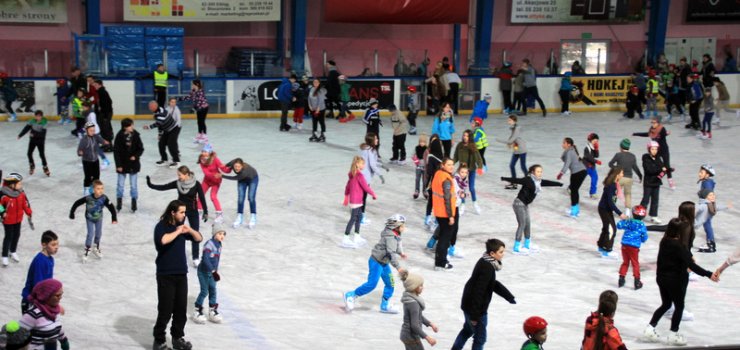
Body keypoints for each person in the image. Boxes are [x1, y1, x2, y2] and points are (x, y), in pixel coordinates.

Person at [642, 219, 718, 346]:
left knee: (666, 304)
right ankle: (673, 334)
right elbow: (691, 266)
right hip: (675, 281)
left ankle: (650, 328)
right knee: (679, 306)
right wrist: (709, 274)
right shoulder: (679, 246)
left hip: (661, 278)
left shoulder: (664, 241)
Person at [152, 200, 203, 350]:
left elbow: (199, 238)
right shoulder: (162, 226)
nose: (184, 214)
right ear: (173, 212)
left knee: (181, 310)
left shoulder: (180, 227)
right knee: (165, 309)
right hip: (165, 274)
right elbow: (162, 241)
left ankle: (177, 338)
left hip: (181, 274)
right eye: (181, 212)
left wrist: (190, 230)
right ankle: (159, 340)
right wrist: (178, 231)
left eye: (185, 212)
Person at [451, 239, 516, 350]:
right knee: (480, 338)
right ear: (492, 253)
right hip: (476, 310)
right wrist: (475, 316)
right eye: (501, 252)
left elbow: (492, 283)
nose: (503, 254)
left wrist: (508, 296)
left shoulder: (485, 261)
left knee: (468, 330)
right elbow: (478, 291)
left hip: (468, 304)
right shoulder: (487, 267)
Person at [343, 214, 408, 314]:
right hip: (376, 262)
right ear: (395, 226)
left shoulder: (395, 234)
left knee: (390, 284)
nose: (404, 228)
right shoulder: (390, 237)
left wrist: (401, 253)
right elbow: (391, 253)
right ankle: (351, 295)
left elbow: (396, 245)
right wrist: (398, 268)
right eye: (402, 226)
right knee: (372, 284)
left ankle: (384, 306)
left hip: (384, 263)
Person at [147, 167, 208, 266]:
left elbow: (202, 197)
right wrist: (151, 185)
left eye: (180, 175)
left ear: (187, 174)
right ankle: (175, 253)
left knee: (194, 233)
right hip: (180, 212)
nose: (178, 177)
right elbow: (164, 187)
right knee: (177, 232)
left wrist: (205, 211)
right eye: (178, 175)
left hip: (193, 211)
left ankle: (195, 258)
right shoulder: (178, 183)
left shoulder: (196, 184)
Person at [501, 165, 563, 253]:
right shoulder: (528, 180)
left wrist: (559, 184)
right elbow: (517, 180)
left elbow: (547, 182)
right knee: (522, 224)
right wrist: (504, 178)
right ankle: (516, 247)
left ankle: (527, 244)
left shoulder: (538, 182)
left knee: (528, 224)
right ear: (533, 172)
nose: (540, 173)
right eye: (538, 171)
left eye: (541, 171)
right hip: (519, 204)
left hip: (525, 205)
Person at [69, 180, 117, 262]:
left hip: (99, 218)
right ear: (93, 189)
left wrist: (114, 217)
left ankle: (96, 247)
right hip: (89, 218)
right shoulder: (88, 198)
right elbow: (77, 203)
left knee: (98, 233)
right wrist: (72, 212)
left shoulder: (104, 198)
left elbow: (111, 207)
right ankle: (87, 249)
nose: (100, 190)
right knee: (90, 233)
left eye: (102, 188)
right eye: (98, 188)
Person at [19, 279, 69, 350]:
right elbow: (17, 336)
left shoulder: (54, 311)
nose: (60, 297)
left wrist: (63, 340)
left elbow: (57, 327)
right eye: (58, 295)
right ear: (47, 296)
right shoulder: (32, 315)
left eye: (61, 294)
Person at [192, 223, 225, 325]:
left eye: (223, 234)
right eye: (219, 233)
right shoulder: (209, 244)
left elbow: (216, 259)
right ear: (214, 234)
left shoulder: (219, 244)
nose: (222, 236)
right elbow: (205, 259)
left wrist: (216, 270)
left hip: (212, 272)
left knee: (213, 290)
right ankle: (197, 310)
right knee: (204, 291)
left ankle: (212, 310)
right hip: (203, 272)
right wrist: (213, 271)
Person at [342, 156, 377, 248]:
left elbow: (347, 187)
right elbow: (366, 187)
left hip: (356, 200)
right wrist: (373, 194)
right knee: (353, 218)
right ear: (357, 164)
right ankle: (345, 238)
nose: (364, 165)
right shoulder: (359, 176)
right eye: (362, 163)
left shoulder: (353, 175)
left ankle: (357, 236)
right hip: (356, 200)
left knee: (359, 217)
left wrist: (346, 197)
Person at [21, 231, 58, 313]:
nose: (56, 247)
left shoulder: (50, 259)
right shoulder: (40, 261)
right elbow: (38, 285)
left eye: (57, 244)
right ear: (44, 245)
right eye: (53, 245)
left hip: (41, 300)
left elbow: (48, 282)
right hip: (31, 301)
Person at [399, 271, 438, 350]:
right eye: (420, 286)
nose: (422, 287)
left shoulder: (408, 298)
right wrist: (428, 338)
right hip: (410, 336)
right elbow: (415, 326)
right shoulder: (413, 303)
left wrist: (430, 324)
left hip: (406, 334)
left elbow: (418, 315)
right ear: (413, 287)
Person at [633, 116, 674, 189]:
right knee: (658, 166)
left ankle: (670, 180)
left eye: (654, 122)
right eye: (652, 122)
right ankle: (658, 177)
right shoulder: (651, 129)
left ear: (658, 123)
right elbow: (647, 134)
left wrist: (665, 134)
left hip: (664, 150)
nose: (652, 124)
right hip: (656, 150)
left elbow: (662, 136)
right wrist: (636, 134)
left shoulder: (662, 128)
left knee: (666, 166)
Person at [1, 173, 33, 267]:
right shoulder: (3, 194)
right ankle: (4, 255)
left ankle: (13, 250)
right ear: (12, 184)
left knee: (17, 234)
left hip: (18, 219)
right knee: (8, 236)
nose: (21, 185)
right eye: (19, 184)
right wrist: (3, 213)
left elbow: (25, 204)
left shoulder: (21, 193)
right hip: (8, 220)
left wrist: (28, 212)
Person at [113, 118, 144, 213]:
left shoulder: (136, 135)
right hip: (122, 164)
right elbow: (116, 152)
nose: (132, 127)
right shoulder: (119, 136)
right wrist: (118, 165)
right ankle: (119, 201)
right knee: (120, 185)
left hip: (133, 165)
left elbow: (141, 148)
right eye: (130, 125)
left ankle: (134, 202)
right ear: (125, 127)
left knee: (134, 186)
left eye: (132, 125)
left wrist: (135, 156)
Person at [431, 158, 457, 270]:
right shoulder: (446, 179)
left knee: (443, 237)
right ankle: (441, 263)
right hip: (445, 213)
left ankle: (440, 260)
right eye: (449, 164)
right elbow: (447, 198)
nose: (451, 167)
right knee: (444, 239)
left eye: (452, 164)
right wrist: (450, 216)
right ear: (443, 165)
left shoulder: (438, 174)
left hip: (438, 211)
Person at [598, 167, 628, 258]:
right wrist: (620, 213)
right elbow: (610, 202)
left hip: (605, 209)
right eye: (622, 173)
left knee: (607, 228)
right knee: (612, 230)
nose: (623, 175)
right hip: (605, 209)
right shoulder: (611, 186)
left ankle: (601, 246)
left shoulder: (614, 184)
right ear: (617, 174)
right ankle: (607, 250)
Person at [221, 158, 259, 229]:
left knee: (251, 198)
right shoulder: (233, 163)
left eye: (239, 167)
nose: (237, 168)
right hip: (242, 180)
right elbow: (228, 164)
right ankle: (239, 216)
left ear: (242, 166)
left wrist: (222, 176)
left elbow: (235, 178)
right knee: (240, 198)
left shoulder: (244, 172)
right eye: (235, 167)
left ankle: (253, 216)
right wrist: (224, 165)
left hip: (253, 179)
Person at [196, 144, 230, 223]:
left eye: (205, 151)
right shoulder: (201, 160)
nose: (203, 153)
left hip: (216, 181)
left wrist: (229, 169)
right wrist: (214, 175)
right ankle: (199, 212)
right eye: (203, 151)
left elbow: (223, 168)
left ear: (210, 152)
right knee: (200, 195)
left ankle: (219, 215)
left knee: (213, 197)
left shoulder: (215, 159)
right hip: (207, 180)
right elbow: (206, 172)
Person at [609, 140, 643, 216]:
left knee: (615, 193)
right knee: (627, 194)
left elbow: (610, 164)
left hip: (619, 178)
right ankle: (627, 211)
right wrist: (640, 175)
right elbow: (635, 167)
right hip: (629, 178)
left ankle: (611, 207)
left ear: (621, 147)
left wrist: (616, 169)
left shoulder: (618, 155)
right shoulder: (632, 156)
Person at [618, 205, 648, 289]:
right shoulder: (642, 225)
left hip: (624, 245)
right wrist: (642, 239)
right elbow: (644, 237)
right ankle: (637, 281)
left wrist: (624, 219)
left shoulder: (629, 221)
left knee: (625, 262)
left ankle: (621, 278)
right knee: (635, 263)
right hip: (634, 247)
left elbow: (619, 225)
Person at [143, 100, 180, 168]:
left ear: (154, 106)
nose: (149, 108)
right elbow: (161, 125)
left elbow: (159, 123)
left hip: (174, 129)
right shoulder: (156, 112)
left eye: (150, 107)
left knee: (171, 144)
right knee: (161, 144)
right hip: (166, 130)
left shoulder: (161, 112)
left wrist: (149, 127)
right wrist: (160, 134)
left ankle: (176, 161)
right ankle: (164, 159)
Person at [453, 130, 483, 214]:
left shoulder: (473, 146)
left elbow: (478, 158)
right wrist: (451, 164)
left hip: (471, 170)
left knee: (471, 188)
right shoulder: (460, 145)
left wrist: (480, 167)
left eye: (466, 136)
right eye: (464, 135)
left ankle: (475, 203)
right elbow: (455, 156)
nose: (464, 137)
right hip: (461, 171)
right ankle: (462, 204)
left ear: (470, 137)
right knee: (462, 188)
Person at [557, 137, 587, 218]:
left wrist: (561, 173)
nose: (562, 144)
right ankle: (575, 210)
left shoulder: (569, 152)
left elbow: (567, 163)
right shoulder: (571, 150)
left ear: (568, 144)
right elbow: (566, 159)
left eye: (564, 143)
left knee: (573, 191)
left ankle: (574, 211)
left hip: (577, 173)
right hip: (582, 171)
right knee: (574, 190)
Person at [359, 133, 385, 225]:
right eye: (376, 139)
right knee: (363, 198)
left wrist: (382, 165)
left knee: (362, 197)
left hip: (362, 176)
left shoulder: (367, 149)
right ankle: (361, 218)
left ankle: (360, 216)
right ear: (372, 141)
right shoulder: (369, 151)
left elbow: (373, 162)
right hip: (364, 178)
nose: (377, 140)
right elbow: (372, 165)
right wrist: (380, 175)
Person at [695, 189, 730, 253]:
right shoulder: (703, 205)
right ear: (705, 196)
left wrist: (726, 206)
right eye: (710, 195)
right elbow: (693, 210)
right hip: (691, 224)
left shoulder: (711, 205)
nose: (713, 196)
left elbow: (717, 208)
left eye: (713, 194)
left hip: (695, 225)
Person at [17, 110, 49, 176]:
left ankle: (45, 167)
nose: (38, 118)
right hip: (33, 140)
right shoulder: (32, 121)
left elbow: (42, 134)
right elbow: (26, 128)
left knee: (41, 155)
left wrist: (33, 134)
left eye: (39, 116)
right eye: (37, 116)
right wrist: (20, 135)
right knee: (29, 154)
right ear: (35, 116)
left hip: (40, 141)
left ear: (42, 116)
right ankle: (32, 166)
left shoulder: (44, 122)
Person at [640, 141, 666, 224]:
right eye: (652, 149)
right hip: (648, 182)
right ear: (649, 149)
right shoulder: (645, 157)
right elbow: (649, 170)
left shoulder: (658, 158)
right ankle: (640, 215)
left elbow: (663, 169)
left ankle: (653, 216)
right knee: (645, 200)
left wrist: (661, 173)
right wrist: (660, 170)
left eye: (656, 149)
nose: (654, 151)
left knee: (655, 200)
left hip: (656, 182)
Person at [77, 122, 106, 194]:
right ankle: (86, 189)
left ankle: (95, 188)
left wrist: (105, 142)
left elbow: (102, 141)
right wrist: (80, 152)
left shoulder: (96, 137)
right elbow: (79, 150)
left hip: (95, 160)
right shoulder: (84, 140)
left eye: (94, 130)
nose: (93, 132)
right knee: (88, 176)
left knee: (96, 176)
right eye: (91, 130)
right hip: (87, 161)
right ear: (86, 131)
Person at [179, 79, 209, 144]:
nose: (192, 85)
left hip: (204, 107)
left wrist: (194, 108)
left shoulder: (201, 91)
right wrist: (180, 99)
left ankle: (205, 137)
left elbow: (199, 101)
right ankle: (199, 136)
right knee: (199, 122)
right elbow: (188, 97)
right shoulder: (193, 91)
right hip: (198, 108)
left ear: (197, 84)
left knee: (202, 121)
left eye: (193, 84)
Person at [92, 79, 114, 151]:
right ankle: (106, 144)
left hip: (105, 114)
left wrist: (105, 116)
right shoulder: (99, 92)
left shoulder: (102, 92)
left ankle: (109, 145)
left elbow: (107, 104)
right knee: (103, 129)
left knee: (106, 130)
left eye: (95, 85)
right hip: (103, 113)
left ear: (100, 85)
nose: (94, 86)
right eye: (94, 85)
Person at [307, 78, 327, 142]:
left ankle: (322, 135)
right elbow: (309, 98)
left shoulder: (320, 90)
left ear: (319, 83)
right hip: (313, 109)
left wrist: (318, 108)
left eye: (316, 82)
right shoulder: (312, 89)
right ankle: (314, 134)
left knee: (321, 122)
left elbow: (321, 100)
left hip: (320, 109)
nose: (315, 83)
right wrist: (309, 105)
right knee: (314, 122)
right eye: (314, 82)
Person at [583, 133, 601, 199]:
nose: (596, 142)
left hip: (592, 167)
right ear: (591, 140)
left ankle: (593, 193)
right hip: (585, 167)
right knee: (580, 179)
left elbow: (597, 155)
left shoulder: (593, 147)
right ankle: (571, 188)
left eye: (597, 141)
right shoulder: (587, 148)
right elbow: (588, 157)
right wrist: (596, 161)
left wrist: (596, 149)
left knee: (595, 178)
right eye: (595, 140)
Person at [412, 134, 428, 199]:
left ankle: (424, 190)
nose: (422, 143)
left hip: (425, 167)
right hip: (418, 166)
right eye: (421, 142)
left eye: (423, 142)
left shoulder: (427, 149)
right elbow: (413, 155)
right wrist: (415, 160)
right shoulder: (417, 148)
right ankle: (417, 190)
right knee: (417, 179)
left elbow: (429, 156)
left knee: (425, 180)